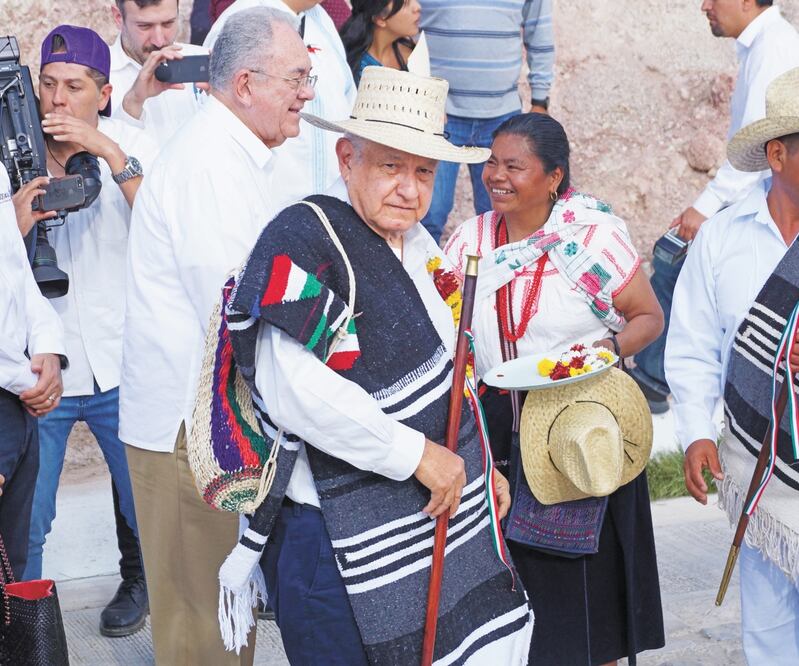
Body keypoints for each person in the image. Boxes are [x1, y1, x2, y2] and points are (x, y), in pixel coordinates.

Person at [203, 64, 534, 664]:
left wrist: (479, 465)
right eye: (390, 166)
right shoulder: (303, 238)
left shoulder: (421, 246)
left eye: (424, 172)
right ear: (347, 157)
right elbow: (295, 390)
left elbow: (449, 373)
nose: (409, 188)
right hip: (331, 536)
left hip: (424, 518)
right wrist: (418, 456)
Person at [119, 8, 313, 664]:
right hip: (188, 432)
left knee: (227, 618)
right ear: (245, 84)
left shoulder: (244, 153)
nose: (307, 93)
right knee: (202, 629)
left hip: (216, 424)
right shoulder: (210, 164)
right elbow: (242, 308)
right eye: (296, 78)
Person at [444, 113, 666, 664]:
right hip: (496, 434)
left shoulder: (588, 239)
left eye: (514, 166)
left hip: (579, 430)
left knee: (588, 616)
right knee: (509, 602)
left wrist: (600, 357)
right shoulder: (470, 242)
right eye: (491, 162)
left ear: (553, 178)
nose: (497, 175)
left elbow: (646, 316)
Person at [20, 26, 157, 640]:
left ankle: (141, 585)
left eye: (74, 87)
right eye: (47, 85)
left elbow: (163, 227)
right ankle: (26, 628)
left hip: (121, 364)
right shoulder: (12, 153)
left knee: (143, 505)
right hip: (40, 371)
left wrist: (105, 150)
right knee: (28, 517)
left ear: (102, 93)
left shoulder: (129, 144)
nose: (58, 100)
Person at [667, 67, 799, 664]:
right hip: (761, 465)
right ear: (778, 154)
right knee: (769, 623)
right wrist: (696, 431)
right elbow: (693, 344)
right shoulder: (722, 237)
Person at [631, 0, 799, 413]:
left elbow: (764, 148)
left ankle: (655, 379)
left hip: (765, 191)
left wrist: (704, 208)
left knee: (674, 260)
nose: (705, 6)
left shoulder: (774, 48)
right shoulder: (764, 44)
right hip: (761, 186)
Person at [419, 0, 554, 243]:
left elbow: (539, 33)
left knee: (504, 216)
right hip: (435, 112)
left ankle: (497, 281)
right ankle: (418, 281)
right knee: (427, 214)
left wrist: (540, 100)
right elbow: (401, 22)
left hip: (503, 119)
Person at [204, 0, 356, 210]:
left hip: (331, 212)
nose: (307, 92)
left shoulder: (322, 20)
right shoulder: (242, 21)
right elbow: (216, 116)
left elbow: (349, 101)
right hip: (267, 211)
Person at [0, 164, 66, 581]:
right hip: (16, 386)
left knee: (15, 564)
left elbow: (16, 271)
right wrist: (27, 378)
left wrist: (48, 346)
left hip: (16, 402)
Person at [110, 0, 208, 146]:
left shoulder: (203, 58)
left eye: (168, 23)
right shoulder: (95, 75)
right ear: (118, 17)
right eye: (144, 26)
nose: (159, 41)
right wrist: (132, 103)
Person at [340, 0, 421, 84]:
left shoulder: (414, 50)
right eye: (405, 3)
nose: (418, 7)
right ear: (379, 19)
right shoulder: (361, 72)